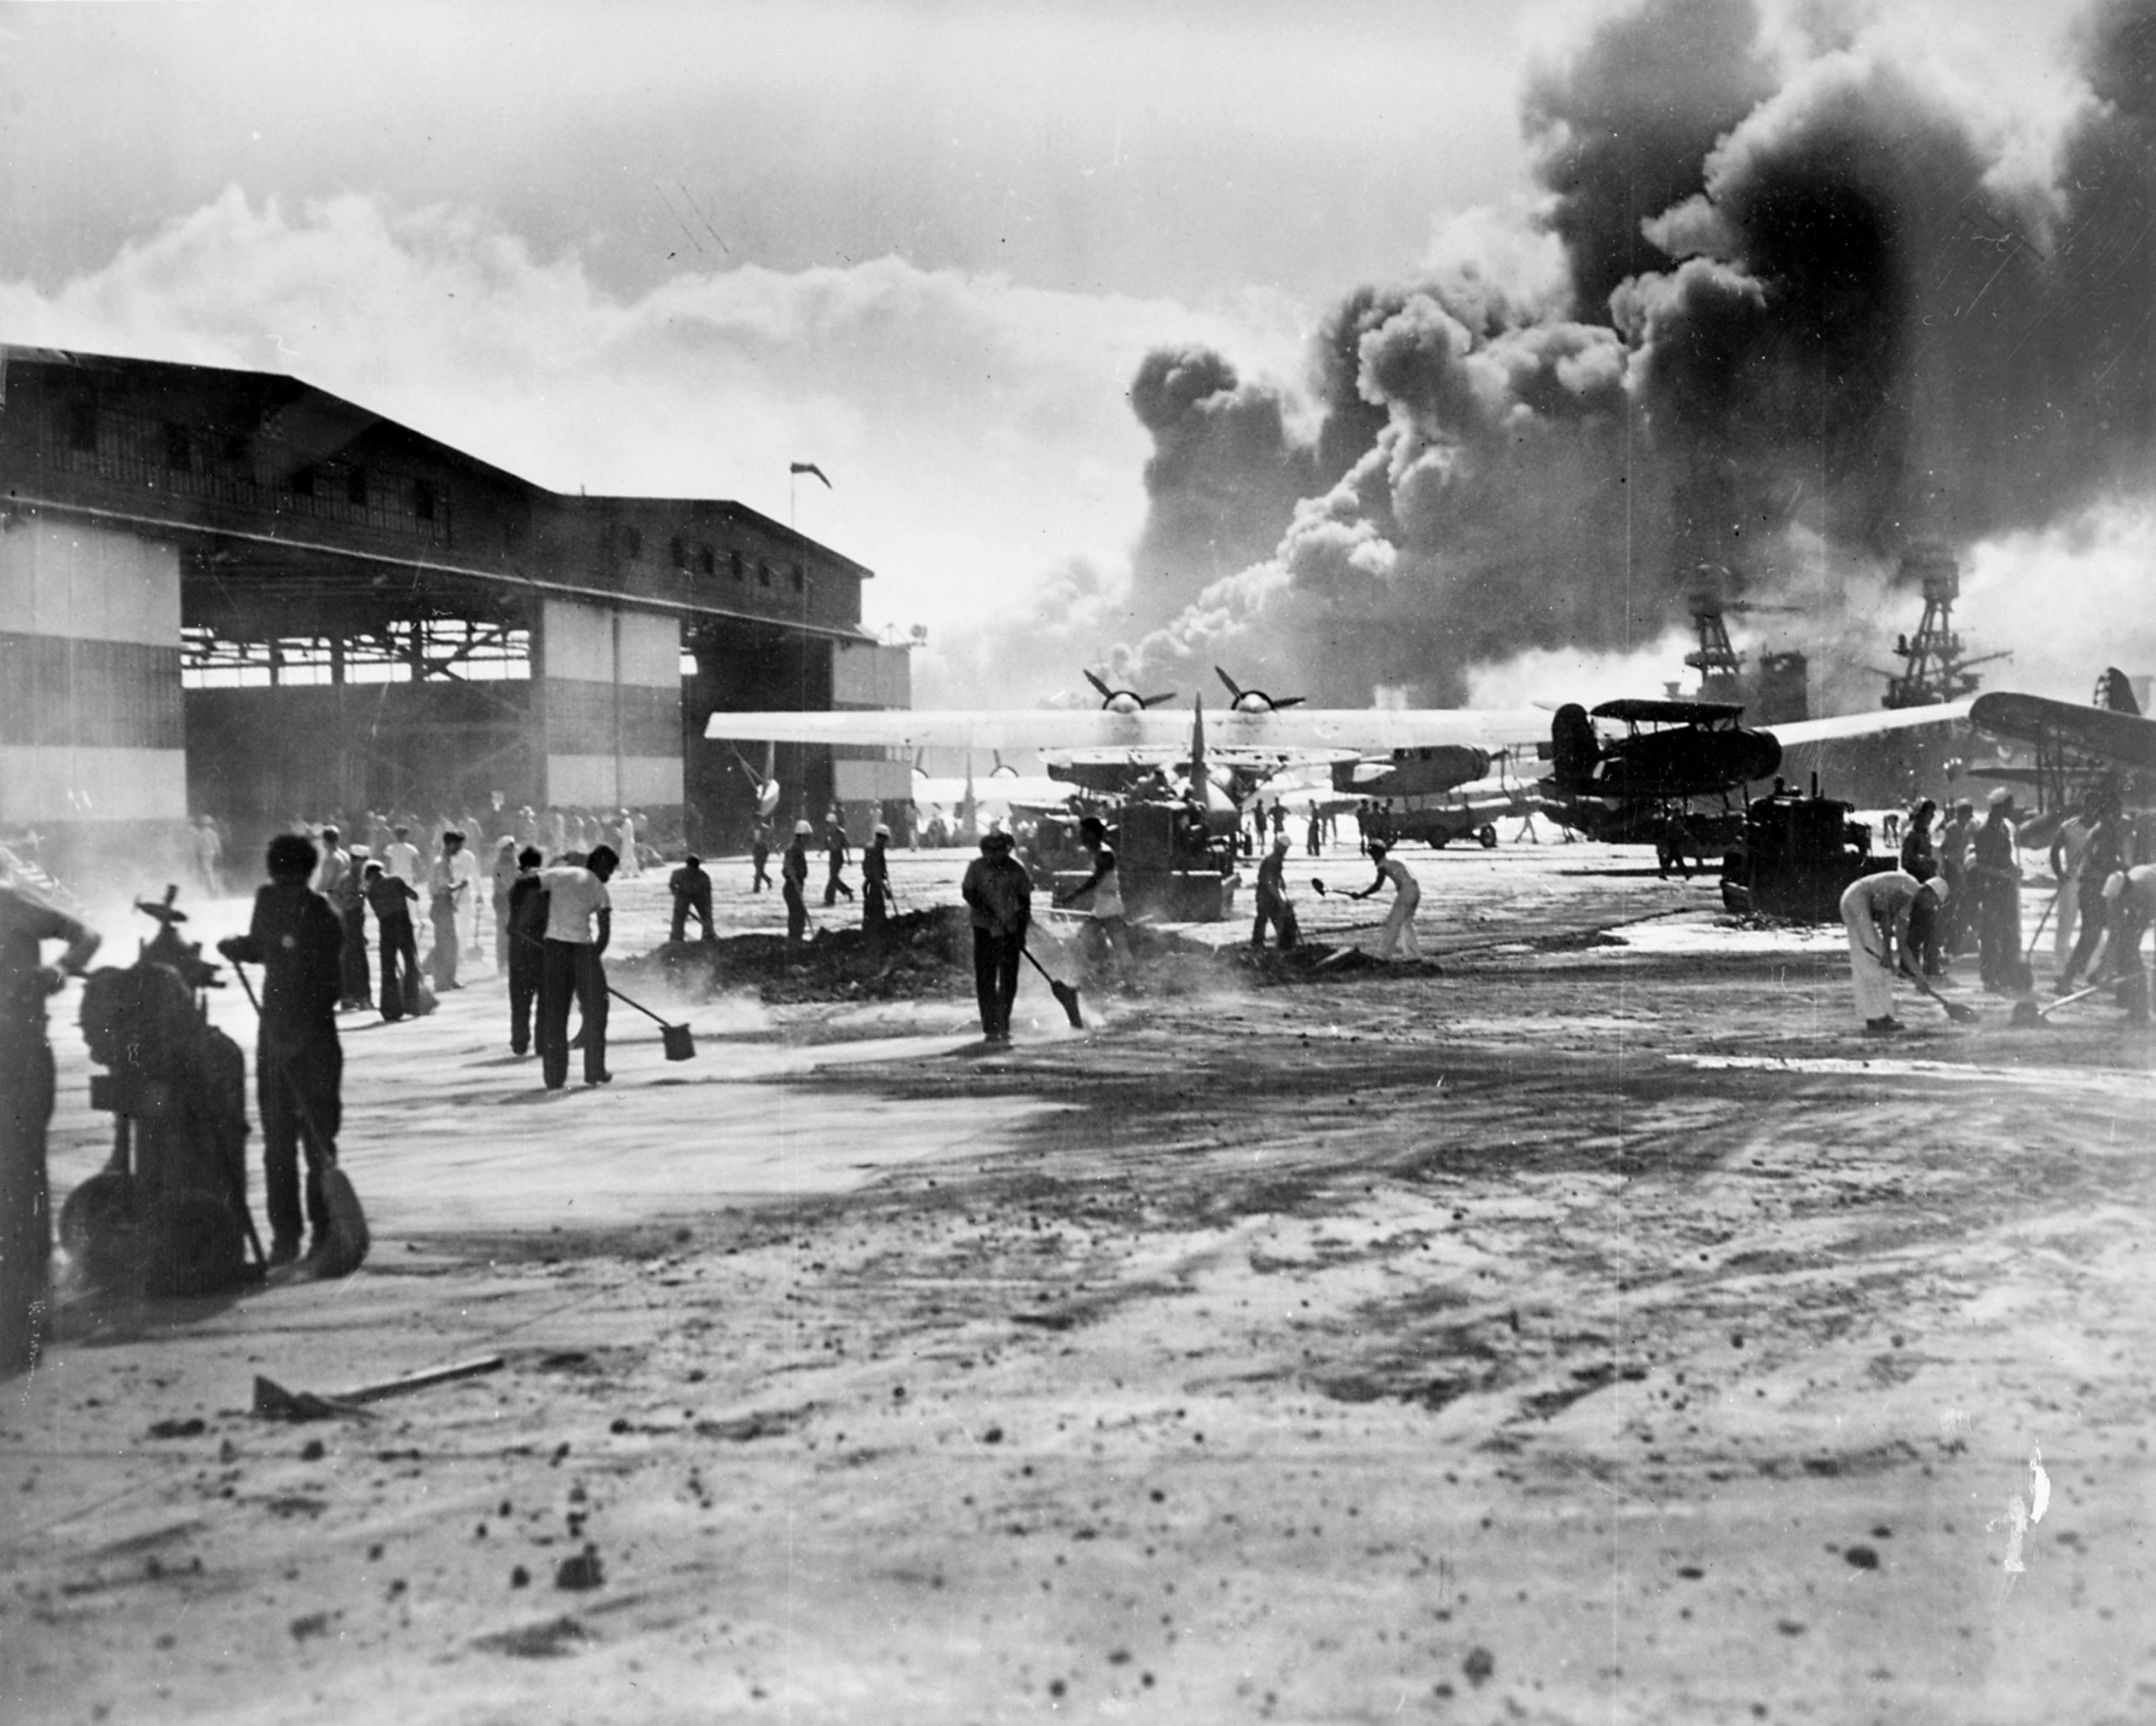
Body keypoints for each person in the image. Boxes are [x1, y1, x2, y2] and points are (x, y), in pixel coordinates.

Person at [218, 834, 344, 1267]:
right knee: (291, 1144)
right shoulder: (289, 906)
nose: (280, 886)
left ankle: (312, 1237)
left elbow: (328, 987)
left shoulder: (320, 916)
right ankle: (294, 1239)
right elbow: (264, 945)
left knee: (306, 1143)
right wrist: (239, 946)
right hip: (291, 1041)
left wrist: (295, 1036)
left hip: (301, 1042)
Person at [1, 873, 99, 1376]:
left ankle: (29, 1322)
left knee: (22, 1185)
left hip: (18, 1058)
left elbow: (87, 934)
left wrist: (60, 971)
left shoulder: (12, 905)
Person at [537, 844, 618, 1089]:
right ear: (600, 865)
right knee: (597, 1011)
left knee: (556, 1015)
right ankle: (594, 1070)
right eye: (610, 870)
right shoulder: (598, 886)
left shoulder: (558, 876)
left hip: (554, 949)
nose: (609, 876)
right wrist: (592, 959)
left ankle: (554, 1077)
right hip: (582, 950)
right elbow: (604, 933)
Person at [1839, 869, 1949, 1034]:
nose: (1930, 907)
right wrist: (1887, 954)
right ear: (1928, 892)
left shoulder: (1909, 903)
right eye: (1933, 902)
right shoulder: (1910, 887)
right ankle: (1875, 1019)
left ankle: (1883, 1015)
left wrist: (1919, 977)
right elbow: (1886, 917)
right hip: (1856, 900)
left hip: (1859, 904)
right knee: (1871, 961)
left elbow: (1902, 944)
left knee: (1878, 966)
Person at [961, 829, 1033, 1043]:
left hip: (1009, 929)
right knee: (986, 977)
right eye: (989, 851)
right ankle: (989, 1024)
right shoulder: (976, 867)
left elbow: (1025, 900)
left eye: (998, 850)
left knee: (1008, 978)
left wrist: (1021, 931)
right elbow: (968, 892)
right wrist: (983, 908)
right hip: (983, 928)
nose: (993, 855)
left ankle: (1003, 1020)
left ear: (1006, 850)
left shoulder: (1016, 870)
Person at [2058, 794, 2124, 993]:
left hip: (2095, 888)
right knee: (2092, 936)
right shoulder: (2104, 831)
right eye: (2117, 811)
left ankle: (2096, 974)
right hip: (2095, 889)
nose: (2120, 815)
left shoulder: (2101, 829)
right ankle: (2068, 980)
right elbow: (2099, 860)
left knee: (2103, 935)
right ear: (2110, 812)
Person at [1054, 814, 1130, 968]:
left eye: (1084, 832)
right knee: (1084, 940)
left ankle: (1129, 981)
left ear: (1092, 833)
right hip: (1103, 905)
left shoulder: (1105, 853)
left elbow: (1095, 880)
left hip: (1111, 906)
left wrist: (1073, 895)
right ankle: (1095, 972)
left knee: (1119, 946)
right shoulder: (1098, 852)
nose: (1081, 835)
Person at [1970, 788, 2022, 991]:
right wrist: (2004, 874)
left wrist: (2014, 870)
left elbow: (2005, 859)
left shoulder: (2004, 829)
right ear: (2000, 806)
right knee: (1991, 935)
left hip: (2007, 889)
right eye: (2009, 805)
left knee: (2009, 933)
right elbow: (1980, 865)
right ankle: (1989, 977)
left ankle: (2004, 974)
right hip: (1992, 890)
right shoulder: (1983, 832)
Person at [362, 860, 421, 1020]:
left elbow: (374, 907)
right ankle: (413, 1003)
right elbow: (415, 896)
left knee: (387, 968)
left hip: (387, 928)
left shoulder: (370, 890)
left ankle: (390, 1009)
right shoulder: (396, 880)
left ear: (370, 876)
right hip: (404, 925)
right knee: (410, 963)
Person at [324, 832, 373, 1011]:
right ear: (355, 860)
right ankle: (360, 998)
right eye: (361, 861)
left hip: (353, 922)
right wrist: (347, 908)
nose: (363, 864)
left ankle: (350, 997)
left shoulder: (354, 878)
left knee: (350, 961)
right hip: (351, 921)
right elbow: (338, 897)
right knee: (356, 962)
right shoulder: (350, 879)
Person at [506, 846, 547, 1055]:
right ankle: (542, 1042)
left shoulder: (518, 884)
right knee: (545, 997)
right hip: (543, 946)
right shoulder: (546, 881)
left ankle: (520, 1041)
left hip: (520, 948)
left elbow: (511, 923)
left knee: (520, 997)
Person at [2048, 794, 2096, 973]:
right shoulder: (2069, 827)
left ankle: (2092, 969)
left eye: (2097, 806)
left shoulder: (2102, 828)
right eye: (2091, 805)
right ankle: (2060, 968)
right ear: (2085, 806)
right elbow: (2054, 851)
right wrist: (2060, 874)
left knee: (2093, 926)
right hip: (2071, 882)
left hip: (2092, 882)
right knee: (2066, 924)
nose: (2093, 810)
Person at [2101, 864, 2153, 1025]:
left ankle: (2142, 1011)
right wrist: (2107, 970)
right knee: (2127, 947)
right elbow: (2114, 934)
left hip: (2152, 896)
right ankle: (2134, 1008)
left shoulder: (2147, 890)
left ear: (2128, 894)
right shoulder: (2120, 889)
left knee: (2130, 949)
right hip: (2144, 898)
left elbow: (2145, 917)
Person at [1353, 840, 1422, 960]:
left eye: (1372, 854)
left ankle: (1383, 956)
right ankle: (1413, 956)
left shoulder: (1383, 864)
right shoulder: (1392, 858)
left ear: (1377, 853)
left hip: (1406, 892)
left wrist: (1361, 894)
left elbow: (1378, 885)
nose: (1372, 857)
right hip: (1415, 890)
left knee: (1393, 923)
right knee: (1406, 924)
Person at [428, 829, 476, 991]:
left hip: (444, 905)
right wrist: (460, 885)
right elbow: (443, 887)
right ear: (450, 844)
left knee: (451, 944)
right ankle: (442, 982)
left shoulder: (445, 861)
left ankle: (448, 979)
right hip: (441, 905)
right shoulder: (441, 863)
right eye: (458, 845)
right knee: (445, 945)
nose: (459, 849)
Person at [1938, 801, 1976, 956]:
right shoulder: (1953, 828)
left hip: (1961, 870)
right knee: (1951, 906)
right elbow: (1946, 849)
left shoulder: (1967, 827)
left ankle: (1954, 942)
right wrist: (1956, 865)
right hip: (1953, 871)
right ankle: (1946, 942)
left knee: (1960, 906)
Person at [1252, 834, 1299, 949]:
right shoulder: (1273, 860)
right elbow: (1270, 882)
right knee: (1266, 917)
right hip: (1266, 894)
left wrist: (1282, 885)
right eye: (1284, 848)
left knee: (1264, 918)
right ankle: (1262, 944)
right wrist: (1279, 898)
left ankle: (1261, 943)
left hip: (1266, 893)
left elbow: (1276, 877)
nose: (1285, 851)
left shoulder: (1275, 859)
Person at [490, 835, 520, 972]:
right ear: (502, 851)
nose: (511, 852)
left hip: (512, 899)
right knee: (503, 933)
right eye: (508, 849)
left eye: (512, 849)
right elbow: (505, 883)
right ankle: (502, 964)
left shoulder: (514, 862)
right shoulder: (499, 866)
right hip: (503, 899)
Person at [669, 854, 714, 943]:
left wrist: (707, 906)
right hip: (683, 895)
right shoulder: (678, 873)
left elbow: (707, 891)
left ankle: (708, 936)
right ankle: (676, 938)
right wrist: (677, 893)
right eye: (691, 868)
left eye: (695, 868)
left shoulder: (703, 876)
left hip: (699, 896)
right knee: (679, 917)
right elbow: (672, 885)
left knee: (706, 915)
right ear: (687, 865)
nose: (692, 870)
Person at [782, 820, 812, 943]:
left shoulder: (798, 848)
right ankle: (794, 940)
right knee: (797, 916)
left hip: (795, 885)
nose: (808, 840)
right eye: (807, 837)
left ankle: (796, 939)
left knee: (798, 915)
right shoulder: (794, 849)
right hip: (792, 886)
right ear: (802, 836)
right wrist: (796, 883)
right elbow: (788, 867)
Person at [862, 824, 893, 938]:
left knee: (870, 913)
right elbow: (876, 874)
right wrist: (886, 890)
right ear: (882, 838)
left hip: (869, 885)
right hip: (875, 886)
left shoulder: (872, 847)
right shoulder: (876, 851)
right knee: (877, 913)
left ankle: (870, 934)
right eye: (885, 840)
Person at [824, 816, 854, 905]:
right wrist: (821, 852)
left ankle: (841, 893)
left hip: (838, 857)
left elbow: (846, 846)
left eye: (830, 824)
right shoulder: (829, 833)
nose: (829, 826)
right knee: (833, 878)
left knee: (833, 877)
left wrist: (849, 858)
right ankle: (830, 897)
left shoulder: (841, 833)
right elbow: (826, 844)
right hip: (832, 857)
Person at [191, 813, 224, 896]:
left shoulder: (201, 833)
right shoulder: (212, 833)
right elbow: (217, 844)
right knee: (209, 870)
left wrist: (197, 853)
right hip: (210, 853)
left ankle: (212, 888)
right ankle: (211, 887)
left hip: (205, 854)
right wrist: (219, 853)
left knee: (208, 871)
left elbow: (197, 845)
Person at [750, 822, 773, 893]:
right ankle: (768, 880)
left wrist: (775, 848)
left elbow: (770, 839)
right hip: (756, 851)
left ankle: (756, 887)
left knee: (759, 870)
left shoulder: (765, 829)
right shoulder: (752, 828)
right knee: (759, 869)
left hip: (763, 851)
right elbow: (748, 838)